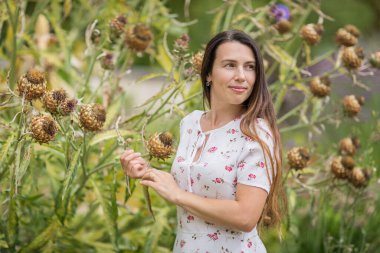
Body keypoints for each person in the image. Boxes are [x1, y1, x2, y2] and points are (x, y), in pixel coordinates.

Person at [120, 29, 286, 253]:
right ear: (208, 73)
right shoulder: (190, 123)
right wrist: (146, 172)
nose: (241, 75)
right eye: (230, 65)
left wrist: (178, 196)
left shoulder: (256, 133)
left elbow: (246, 216)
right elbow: (194, 185)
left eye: (250, 67)